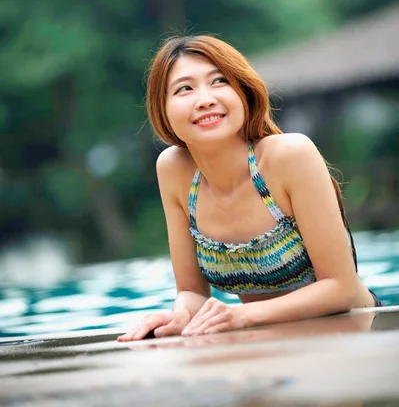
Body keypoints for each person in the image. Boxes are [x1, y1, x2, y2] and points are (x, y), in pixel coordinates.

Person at [118, 35, 382, 342]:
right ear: (162, 109)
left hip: (357, 337)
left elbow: (340, 289)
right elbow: (191, 291)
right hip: (269, 345)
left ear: (243, 92)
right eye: (184, 88)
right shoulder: (174, 170)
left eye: (219, 81)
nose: (204, 99)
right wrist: (179, 316)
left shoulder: (289, 155)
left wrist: (241, 315)